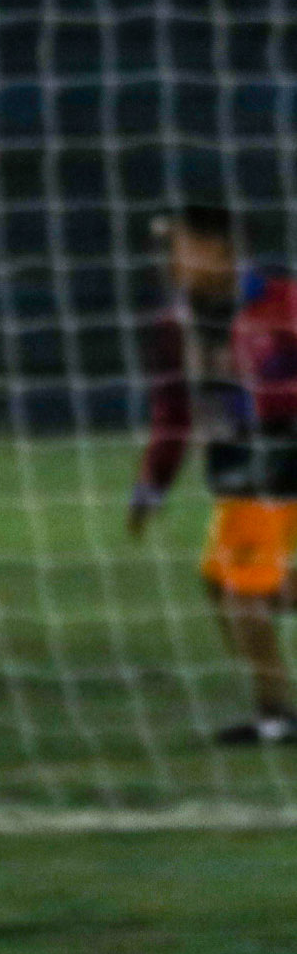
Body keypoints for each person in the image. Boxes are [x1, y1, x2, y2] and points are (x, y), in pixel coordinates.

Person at [129, 205, 297, 744]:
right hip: (234, 464)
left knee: (240, 590)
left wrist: (265, 400)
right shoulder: (175, 323)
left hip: (280, 457)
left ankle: (276, 717)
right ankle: (275, 712)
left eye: (178, 246)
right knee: (224, 583)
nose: (168, 260)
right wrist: (152, 484)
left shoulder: (282, 300)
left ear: (218, 248)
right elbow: (173, 411)